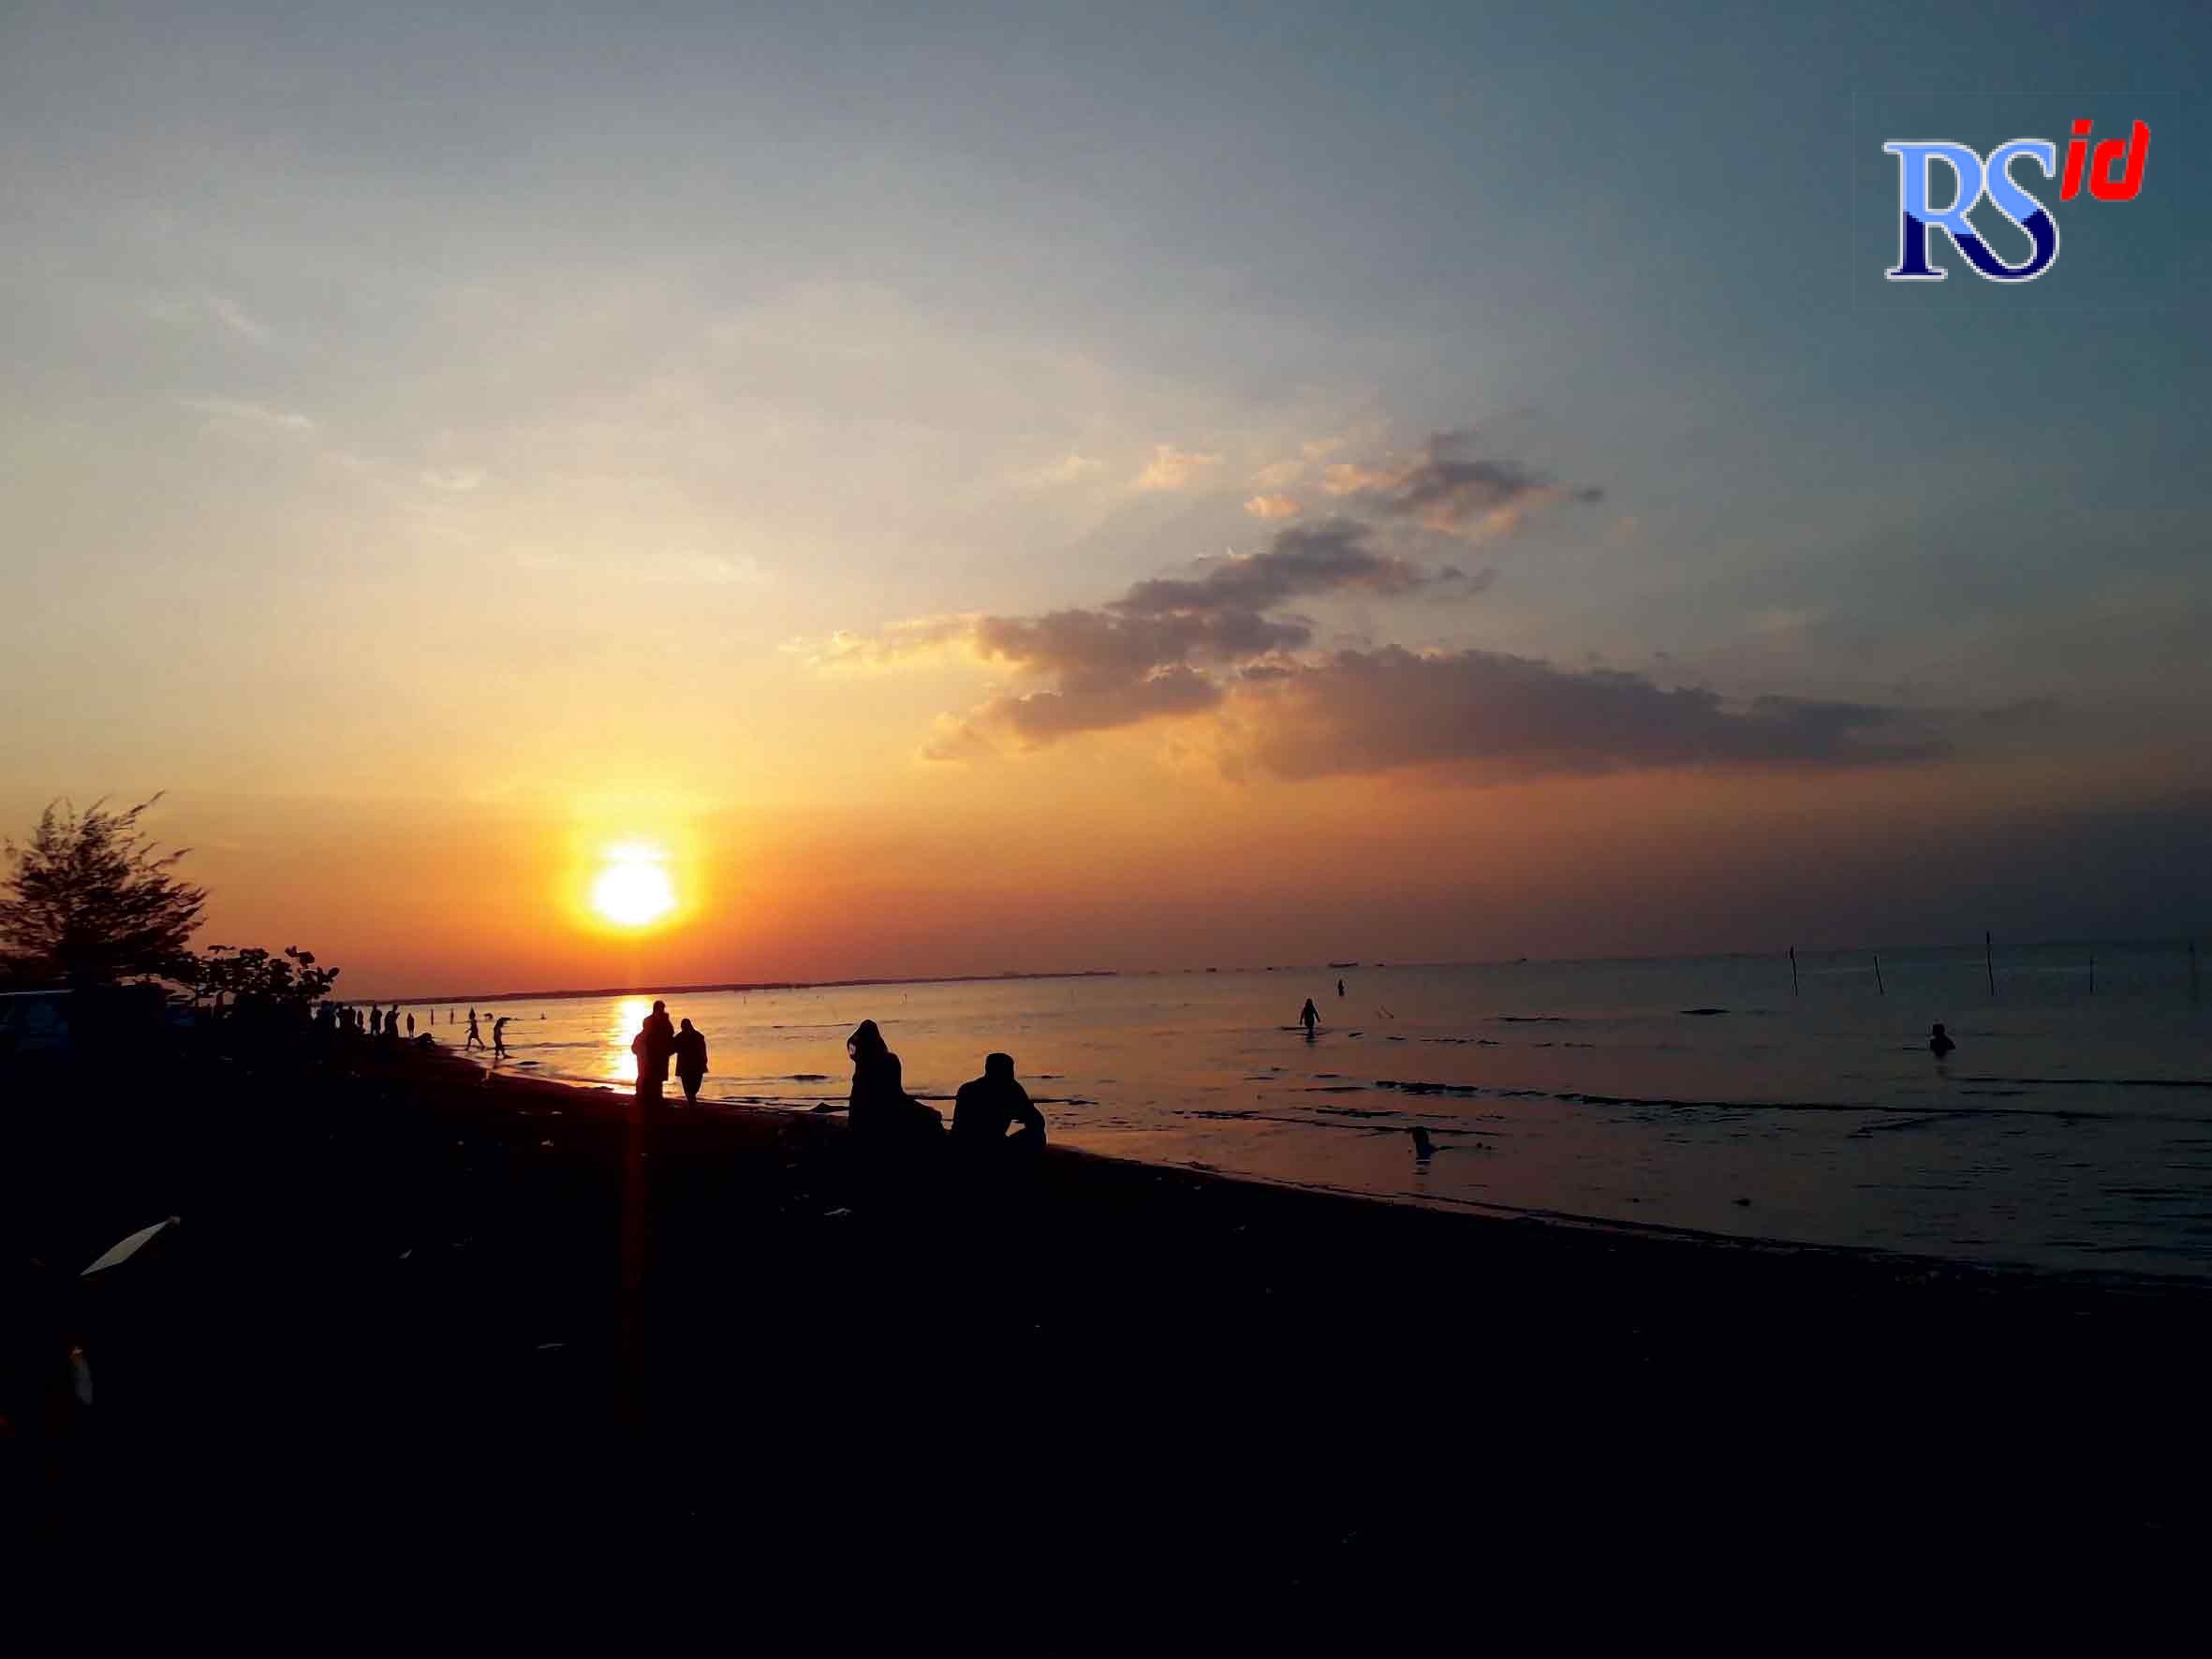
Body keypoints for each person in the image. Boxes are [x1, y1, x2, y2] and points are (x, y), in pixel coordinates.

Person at [839, 1019, 942, 1143]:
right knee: (931, 1119)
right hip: (884, 1115)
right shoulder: (888, 1061)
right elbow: (896, 1097)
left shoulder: (862, 1066)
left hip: (861, 1120)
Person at [951, 1051, 1046, 1160]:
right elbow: (1037, 1121)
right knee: (1037, 1136)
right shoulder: (1010, 1090)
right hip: (989, 1149)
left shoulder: (967, 1088)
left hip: (960, 1148)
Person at [631, 1004, 676, 1106]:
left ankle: (655, 1097)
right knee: (648, 1076)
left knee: (656, 1077)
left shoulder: (664, 1021)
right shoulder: (649, 1024)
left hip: (659, 1054)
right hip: (651, 1054)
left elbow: (670, 1034)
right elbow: (635, 1047)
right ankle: (644, 1097)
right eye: (661, 1009)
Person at [673, 1017, 708, 1105]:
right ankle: (692, 1101)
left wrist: (704, 1058)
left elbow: (702, 1048)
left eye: (685, 1026)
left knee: (695, 1085)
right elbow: (673, 1047)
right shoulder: (679, 1037)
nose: (684, 1028)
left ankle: (692, 1100)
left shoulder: (698, 1036)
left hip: (696, 1065)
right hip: (685, 1067)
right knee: (688, 1086)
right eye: (683, 1026)